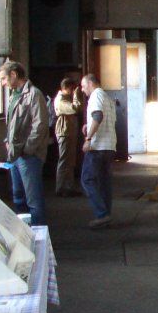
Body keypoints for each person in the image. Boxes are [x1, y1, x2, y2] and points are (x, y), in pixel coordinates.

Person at [0, 60, 49, 226]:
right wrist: (7, 140)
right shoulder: (13, 95)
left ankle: (39, 234)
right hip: (15, 154)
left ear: (14, 74)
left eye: (4, 78)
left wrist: (28, 149)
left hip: (28, 155)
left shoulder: (34, 94)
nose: (2, 83)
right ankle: (23, 234)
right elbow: (12, 124)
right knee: (18, 197)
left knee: (33, 199)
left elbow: (40, 125)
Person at [80, 73, 116, 229]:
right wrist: (89, 126)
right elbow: (103, 118)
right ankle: (106, 215)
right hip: (109, 145)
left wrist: (88, 138)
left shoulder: (95, 96)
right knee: (104, 182)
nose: (82, 90)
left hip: (97, 146)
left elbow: (97, 116)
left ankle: (101, 214)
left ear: (91, 84)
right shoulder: (106, 97)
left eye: (83, 86)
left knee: (87, 179)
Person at [53, 78, 83, 197]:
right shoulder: (60, 100)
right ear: (65, 88)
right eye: (71, 89)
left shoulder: (66, 98)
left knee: (70, 161)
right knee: (64, 160)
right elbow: (75, 108)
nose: (72, 91)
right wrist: (76, 95)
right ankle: (60, 188)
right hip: (64, 133)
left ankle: (69, 187)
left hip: (70, 132)